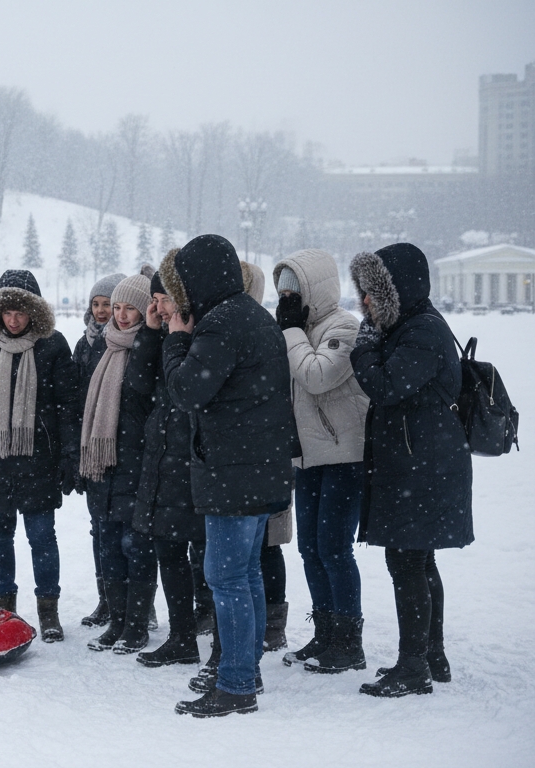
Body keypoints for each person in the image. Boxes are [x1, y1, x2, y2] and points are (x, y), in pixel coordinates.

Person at [159, 235, 296, 718]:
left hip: (234, 472)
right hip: (261, 467)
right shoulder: (252, 315)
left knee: (227, 577)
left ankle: (236, 684)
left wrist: (176, 338)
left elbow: (187, 390)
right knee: (247, 574)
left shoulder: (220, 324)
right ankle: (246, 670)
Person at [349, 243, 472, 698]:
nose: (363, 302)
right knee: (418, 561)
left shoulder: (421, 331)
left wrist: (363, 348)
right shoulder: (412, 326)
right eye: (362, 292)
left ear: (396, 290)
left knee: (407, 562)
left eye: (371, 293)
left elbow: (385, 386)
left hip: (423, 466)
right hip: (421, 461)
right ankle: (430, 656)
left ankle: (414, 665)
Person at [0, 269, 78, 642]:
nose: (15, 319)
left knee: (42, 536)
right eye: (8, 312)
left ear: (35, 311)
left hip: (40, 459)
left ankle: (48, 610)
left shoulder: (53, 345)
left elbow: (68, 406)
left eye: (22, 312)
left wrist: (70, 456)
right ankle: (5, 609)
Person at [271, 249, 370, 674]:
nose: (287, 298)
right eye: (282, 291)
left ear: (317, 288)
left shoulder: (345, 327)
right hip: (308, 456)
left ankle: (349, 642)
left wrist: (291, 331)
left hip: (344, 455)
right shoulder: (295, 330)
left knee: (334, 548)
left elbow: (315, 376)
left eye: (295, 289)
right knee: (310, 548)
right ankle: (326, 631)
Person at [77, 271, 157, 654]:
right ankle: (118, 620)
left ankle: (137, 625)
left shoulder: (148, 348)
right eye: (118, 308)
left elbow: (147, 400)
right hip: (104, 464)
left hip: (137, 461)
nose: (121, 316)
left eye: (129, 309)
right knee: (108, 544)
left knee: (135, 547)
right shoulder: (107, 345)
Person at [132, 262, 206, 668]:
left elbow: (188, 392)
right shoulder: (163, 334)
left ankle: (204, 628)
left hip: (192, 457)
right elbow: (139, 384)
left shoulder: (201, 334)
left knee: (205, 555)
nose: (157, 307)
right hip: (163, 456)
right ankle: (182, 637)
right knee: (170, 549)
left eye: (161, 299)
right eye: (154, 300)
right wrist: (149, 332)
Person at [242, 261, 295, 654]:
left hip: (266, 453)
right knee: (257, 547)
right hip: (262, 455)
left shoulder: (264, 329)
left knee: (266, 546)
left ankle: (271, 624)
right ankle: (262, 622)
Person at [73, 271, 125, 628]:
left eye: (109, 304)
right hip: (92, 449)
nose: (103, 310)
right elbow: (75, 399)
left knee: (127, 534)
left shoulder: (126, 343)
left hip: (122, 449)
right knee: (99, 529)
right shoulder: (85, 344)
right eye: (97, 303)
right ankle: (106, 600)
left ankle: (135, 605)